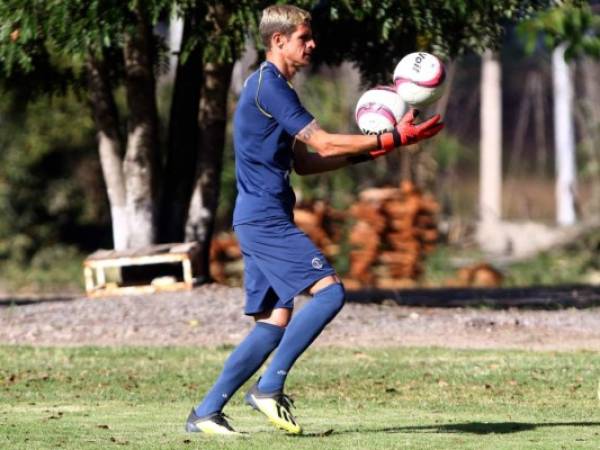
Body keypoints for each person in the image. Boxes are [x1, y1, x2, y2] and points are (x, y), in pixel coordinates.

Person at [185, 4, 443, 436]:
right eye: (304, 37)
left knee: (272, 323)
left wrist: (379, 148)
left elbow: (305, 160)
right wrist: (392, 136)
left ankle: (206, 412)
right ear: (278, 41)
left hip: (260, 216)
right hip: (265, 218)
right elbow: (321, 139)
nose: (312, 44)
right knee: (329, 293)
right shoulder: (271, 86)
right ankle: (269, 387)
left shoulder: (271, 87)